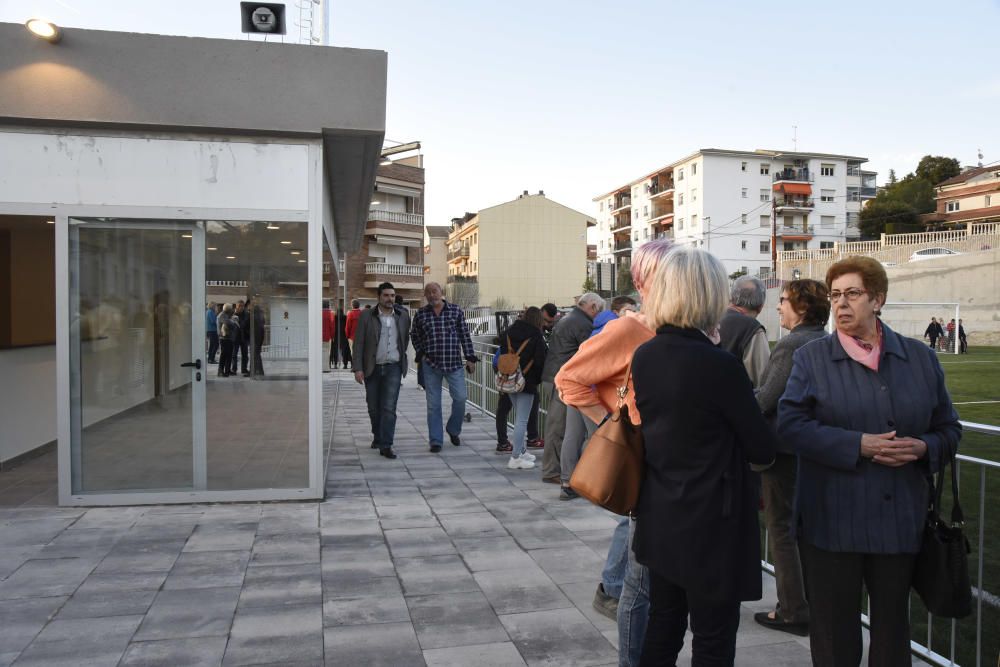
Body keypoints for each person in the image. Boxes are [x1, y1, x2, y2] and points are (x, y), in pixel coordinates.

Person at [778, 256, 961, 666]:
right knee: (834, 637)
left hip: (898, 523)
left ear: (877, 299)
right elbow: (790, 426)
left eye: (852, 294)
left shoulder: (920, 359)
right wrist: (858, 445)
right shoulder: (811, 359)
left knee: (892, 634)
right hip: (830, 523)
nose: (841, 304)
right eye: (835, 295)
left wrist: (923, 448)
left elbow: (949, 429)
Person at [632, 247, 776, 664]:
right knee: (712, 637)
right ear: (709, 295)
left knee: (664, 625)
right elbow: (760, 445)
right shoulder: (719, 366)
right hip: (714, 520)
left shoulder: (647, 356)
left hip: (662, 512)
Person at [554, 240, 672, 660]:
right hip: (640, 458)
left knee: (653, 580)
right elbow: (569, 380)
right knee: (641, 582)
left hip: (668, 463)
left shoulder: (671, 330)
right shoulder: (628, 329)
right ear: (648, 281)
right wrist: (608, 422)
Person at [752, 279, 830, 638]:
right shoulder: (826, 341)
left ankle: (793, 610)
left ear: (802, 307)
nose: (779, 307)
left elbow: (765, 399)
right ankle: (813, 605)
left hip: (785, 453)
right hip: (815, 451)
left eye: (783, 301)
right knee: (808, 532)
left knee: (782, 530)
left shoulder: (793, 345)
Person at [539, 293, 606, 486]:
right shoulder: (582, 324)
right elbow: (591, 353)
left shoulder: (568, 318)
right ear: (592, 306)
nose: (598, 315)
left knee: (559, 427)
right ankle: (553, 470)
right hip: (563, 381)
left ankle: (557, 470)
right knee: (559, 427)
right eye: (598, 310)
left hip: (553, 376)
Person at [410, 282, 477, 453]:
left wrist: (470, 358)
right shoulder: (421, 314)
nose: (432, 295)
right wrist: (421, 353)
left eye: (435, 291)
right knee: (433, 405)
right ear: (425, 296)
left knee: (461, 398)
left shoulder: (455, 311)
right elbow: (415, 335)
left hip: (454, 363)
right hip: (431, 365)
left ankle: (453, 429)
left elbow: (464, 335)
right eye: (428, 293)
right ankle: (436, 441)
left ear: (441, 292)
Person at [353, 282, 411, 460]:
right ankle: (377, 436)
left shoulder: (403, 316)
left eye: (392, 296)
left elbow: (405, 340)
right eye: (386, 295)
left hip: (393, 366)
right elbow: (359, 343)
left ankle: (386, 444)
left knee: (389, 408)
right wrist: (358, 368)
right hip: (372, 368)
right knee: (373, 408)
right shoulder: (366, 316)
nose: (390, 299)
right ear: (379, 297)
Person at [496, 306, 547, 470]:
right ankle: (516, 457)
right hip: (527, 380)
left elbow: (502, 351)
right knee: (522, 420)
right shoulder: (536, 335)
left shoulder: (510, 332)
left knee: (519, 416)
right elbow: (541, 359)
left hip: (509, 378)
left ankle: (522, 450)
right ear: (538, 320)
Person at [719, 275, 770, 387]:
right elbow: (764, 382)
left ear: (732, 297)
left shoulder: (712, 318)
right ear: (761, 306)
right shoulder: (752, 329)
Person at [218, 303, 237, 377]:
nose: (232, 310)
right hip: (224, 338)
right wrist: (234, 321)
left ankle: (227, 370)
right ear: (228, 310)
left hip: (229, 338)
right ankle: (220, 371)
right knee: (223, 355)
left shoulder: (226, 315)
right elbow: (229, 323)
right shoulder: (222, 315)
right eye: (231, 309)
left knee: (229, 355)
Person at [249, 297, 265, 377]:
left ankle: (255, 370)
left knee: (255, 354)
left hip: (255, 337)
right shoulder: (261, 315)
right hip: (260, 336)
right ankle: (259, 370)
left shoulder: (254, 316)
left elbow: (250, 326)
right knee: (257, 354)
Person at [322, 300, 336, 372]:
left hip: (319, 336)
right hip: (327, 336)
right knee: (327, 352)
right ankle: (326, 368)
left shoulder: (318, 313)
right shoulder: (331, 313)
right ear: (328, 305)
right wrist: (333, 336)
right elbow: (332, 326)